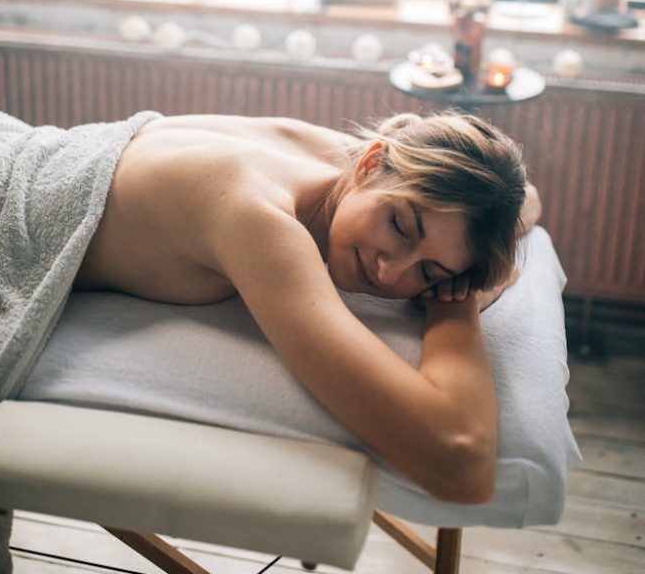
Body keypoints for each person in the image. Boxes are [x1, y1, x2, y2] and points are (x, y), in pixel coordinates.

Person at [75, 109, 540, 504]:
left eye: (429, 272)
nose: (390, 273)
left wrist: (456, 281)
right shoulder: (256, 216)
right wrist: (455, 306)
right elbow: (461, 463)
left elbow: (528, 199)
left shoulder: (353, 159)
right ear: (371, 165)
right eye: (400, 226)